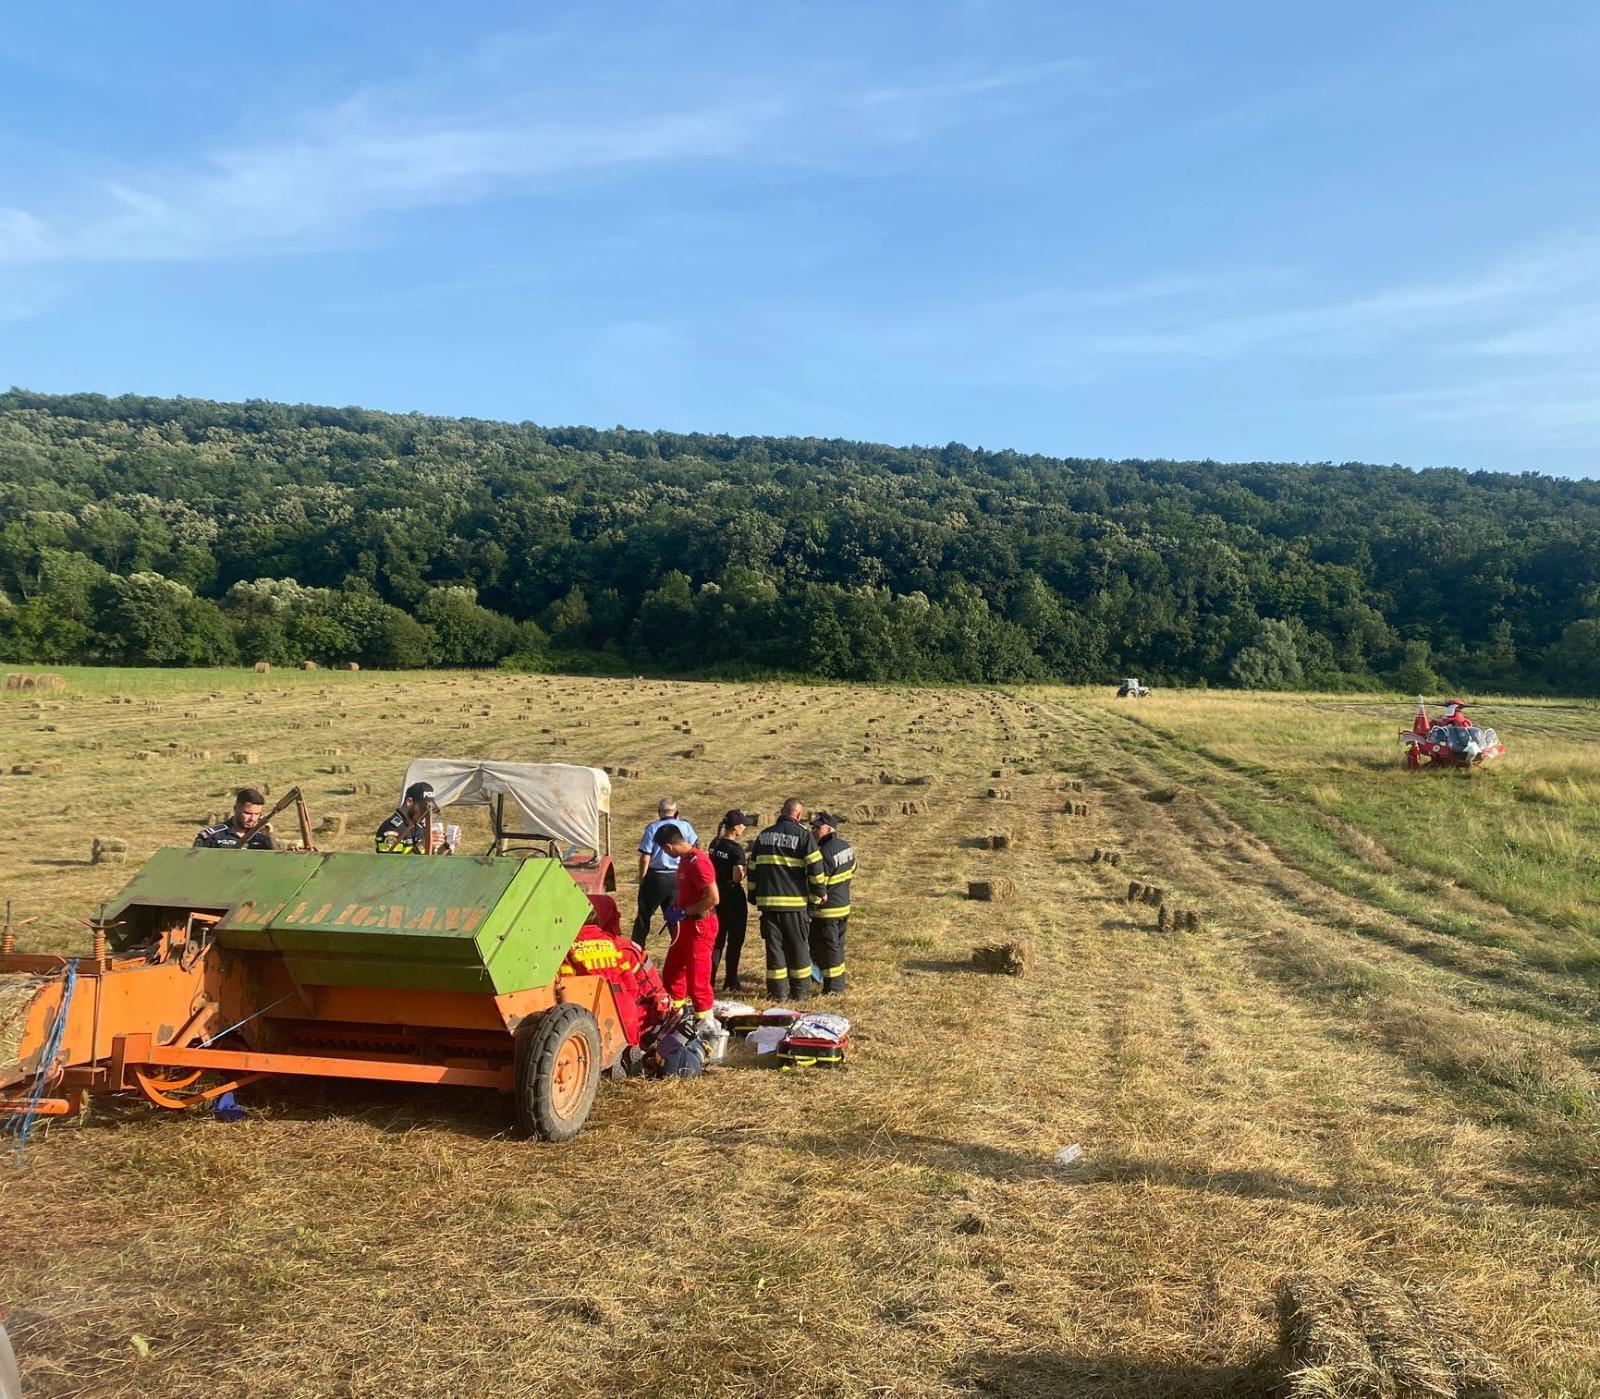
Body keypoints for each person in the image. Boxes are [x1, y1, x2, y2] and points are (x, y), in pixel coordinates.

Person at [751, 798, 826, 1001]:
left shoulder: (763, 836)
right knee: (799, 948)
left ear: (782, 812)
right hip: (794, 904)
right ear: (799, 815)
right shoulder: (803, 836)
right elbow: (816, 870)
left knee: (774, 950)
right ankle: (800, 992)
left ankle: (778, 993)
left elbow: (752, 868)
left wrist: (753, 895)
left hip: (768, 905)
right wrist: (817, 895)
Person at [654, 824, 721, 1038]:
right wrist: (676, 905)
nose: (666, 854)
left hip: (700, 926)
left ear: (669, 846)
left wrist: (684, 911)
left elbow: (712, 898)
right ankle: (675, 1014)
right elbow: (687, 891)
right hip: (686, 926)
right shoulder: (684, 861)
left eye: (664, 851)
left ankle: (705, 1024)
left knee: (697, 978)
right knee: (673, 972)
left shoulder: (698, 862)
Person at [633, 797, 697, 947]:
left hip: (657, 876)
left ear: (659, 812)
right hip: (678, 876)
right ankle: (679, 947)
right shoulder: (685, 827)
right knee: (674, 917)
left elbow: (645, 856)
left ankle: (637, 948)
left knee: (644, 916)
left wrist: (642, 879)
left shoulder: (653, 828)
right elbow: (694, 849)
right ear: (676, 812)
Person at [709, 810, 756, 993]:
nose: (744, 827)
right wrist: (746, 868)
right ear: (736, 827)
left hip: (716, 894)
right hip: (732, 897)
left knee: (717, 940)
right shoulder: (736, 850)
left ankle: (710, 978)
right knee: (735, 939)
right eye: (743, 824)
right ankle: (731, 979)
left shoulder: (715, 843)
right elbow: (737, 877)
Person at [809, 811, 855, 995]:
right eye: (812, 827)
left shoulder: (823, 854)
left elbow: (819, 886)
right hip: (843, 907)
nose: (813, 830)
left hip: (827, 912)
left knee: (827, 949)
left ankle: (834, 988)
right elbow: (853, 869)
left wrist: (809, 909)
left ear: (829, 829)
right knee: (837, 946)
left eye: (817, 828)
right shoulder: (846, 847)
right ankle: (836, 982)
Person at [194, 787, 276, 849]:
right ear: (235, 809)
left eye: (257, 814)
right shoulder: (213, 836)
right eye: (247, 813)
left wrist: (269, 836)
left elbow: (279, 863)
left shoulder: (262, 837)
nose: (253, 818)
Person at [376, 781, 435, 854]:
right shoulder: (391, 828)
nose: (426, 813)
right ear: (409, 802)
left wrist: (444, 847)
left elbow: (431, 863)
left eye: (430, 809)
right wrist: (421, 845)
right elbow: (390, 863)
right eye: (424, 808)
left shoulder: (419, 827)